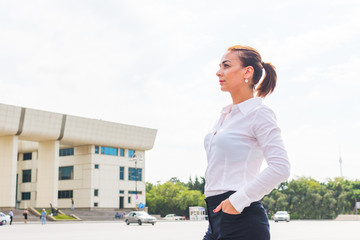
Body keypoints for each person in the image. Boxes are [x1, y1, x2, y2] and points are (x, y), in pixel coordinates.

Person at [202, 45, 290, 240]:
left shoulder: (259, 114)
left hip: (242, 219)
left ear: (247, 72)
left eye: (226, 65)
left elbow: (280, 167)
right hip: (216, 218)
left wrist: (236, 201)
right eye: (219, 66)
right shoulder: (223, 117)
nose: (218, 72)